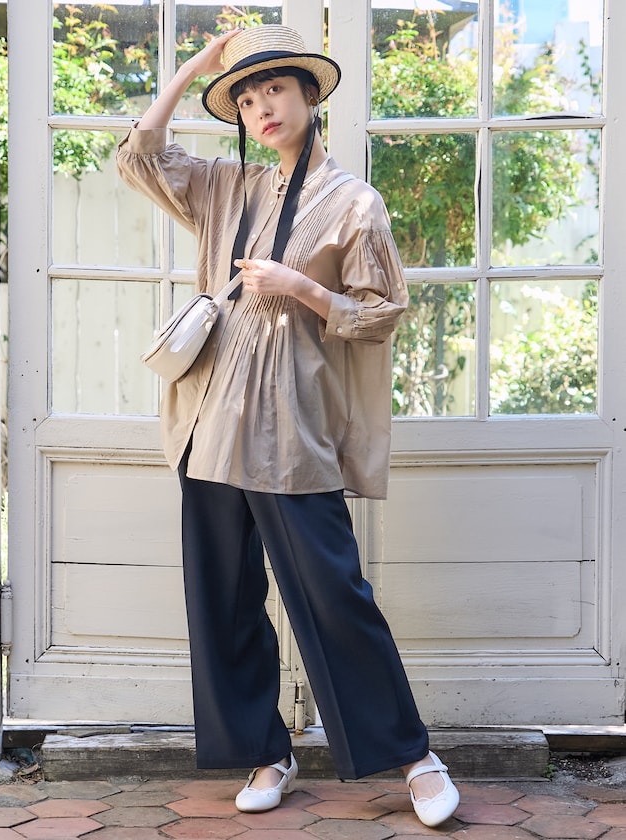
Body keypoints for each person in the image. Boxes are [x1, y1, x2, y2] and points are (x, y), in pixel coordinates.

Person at [116, 24, 460, 828]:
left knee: (334, 594)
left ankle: (415, 757)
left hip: (289, 428)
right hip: (207, 423)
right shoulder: (225, 187)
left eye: (274, 88)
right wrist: (192, 69)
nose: (261, 106)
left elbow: (382, 313)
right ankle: (266, 751)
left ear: (310, 94)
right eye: (245, 97)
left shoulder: (354, 203)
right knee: (225, 599)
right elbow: (138, 157)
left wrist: (300, 287)